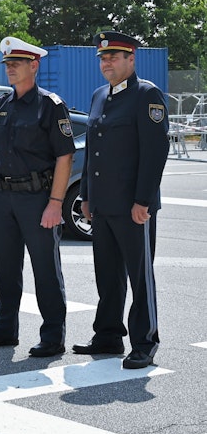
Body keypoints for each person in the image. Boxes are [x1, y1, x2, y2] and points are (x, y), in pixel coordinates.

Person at [0, 36, 74, 357]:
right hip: (3, 198)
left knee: (45, 270)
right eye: (8, 64)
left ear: (34, 65)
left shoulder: (50, 106)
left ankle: (53, 336)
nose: (10, 69)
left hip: (37, 198)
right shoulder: (0, 106)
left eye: (16, 64)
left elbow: (65, 157)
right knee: (5, 268)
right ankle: (4, 330)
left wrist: (55, 204)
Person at [73, 31, 169, 369]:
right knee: (107, 274)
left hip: (133, 206)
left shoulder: (146, 94)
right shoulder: (99, 95)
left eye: (113, 57)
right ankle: (108, 334)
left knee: (139, 277)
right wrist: (86, 195)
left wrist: (143, 200)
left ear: (131, 58)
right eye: (102, 58)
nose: (106, 63)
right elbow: (92, 150)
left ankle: (145, 342)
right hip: (102, 204)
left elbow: (155, 152)